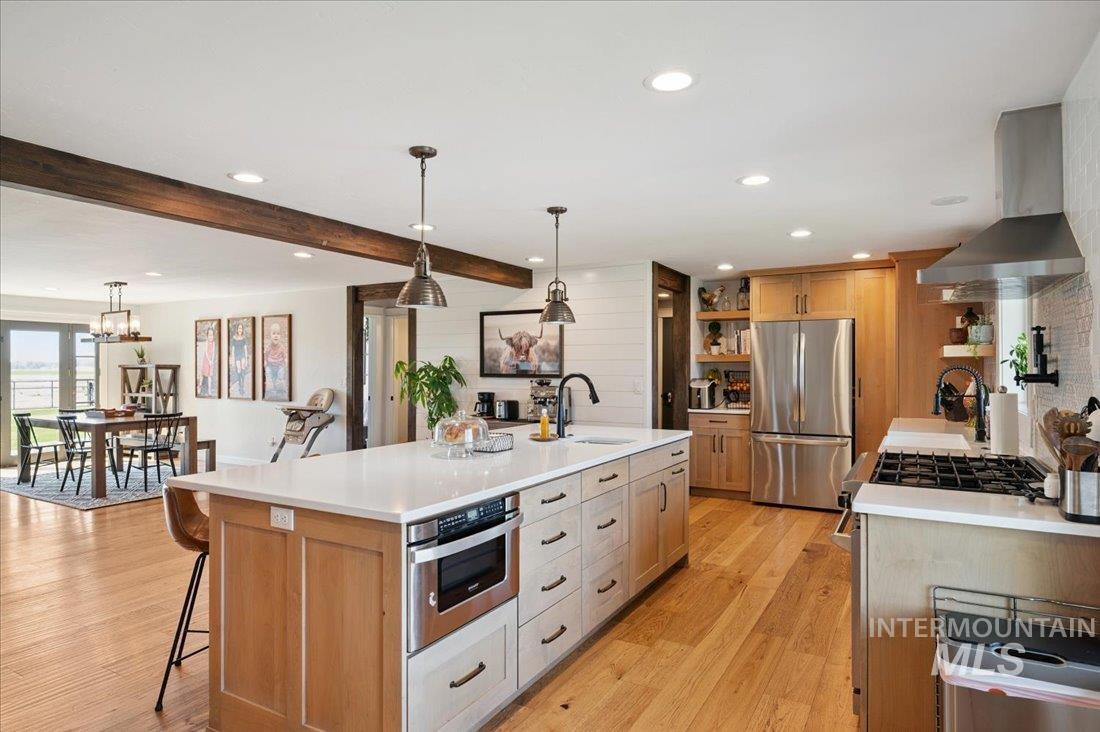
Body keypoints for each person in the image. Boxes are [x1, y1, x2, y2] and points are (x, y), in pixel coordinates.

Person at [264, 322, 288, 399]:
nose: (276, 336)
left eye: (278, 334)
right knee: (269, 376)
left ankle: (279, 387)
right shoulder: (269, 346)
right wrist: (265, 362)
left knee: (280, 376)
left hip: (279, 366)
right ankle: (272, 389)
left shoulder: (281, 347)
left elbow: (285, 356)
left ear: (280, 336)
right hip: (270, 366)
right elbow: (265, 355)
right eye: (274, 333)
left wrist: (286, 361)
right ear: (270, 335)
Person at [230, 321, 250, 396]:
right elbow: (233, 349)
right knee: (238, 369)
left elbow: (245, 349)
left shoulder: (244, 338)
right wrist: (232, 358)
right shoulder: (234, 338)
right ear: (237, 329)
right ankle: (240, 386)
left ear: (242, 329)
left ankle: (243, 385)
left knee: (243, 368)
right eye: (239, 328)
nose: (240, 330)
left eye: (241, 328)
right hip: (237, 355)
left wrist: (246, 358)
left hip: (242, 355)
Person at [199, 325, 217, 396]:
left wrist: (212, 361)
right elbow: (206, 352)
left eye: (212, 335)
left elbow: (213, 352)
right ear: (207, 336)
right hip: (206, 360)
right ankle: (199, 388)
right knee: (203, 374)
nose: (210, 337)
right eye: (209, 335)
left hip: (210, 361)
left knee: (210, 376)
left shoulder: (214, 343)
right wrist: (209, 360)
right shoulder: (206, 342)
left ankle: (209, 391)